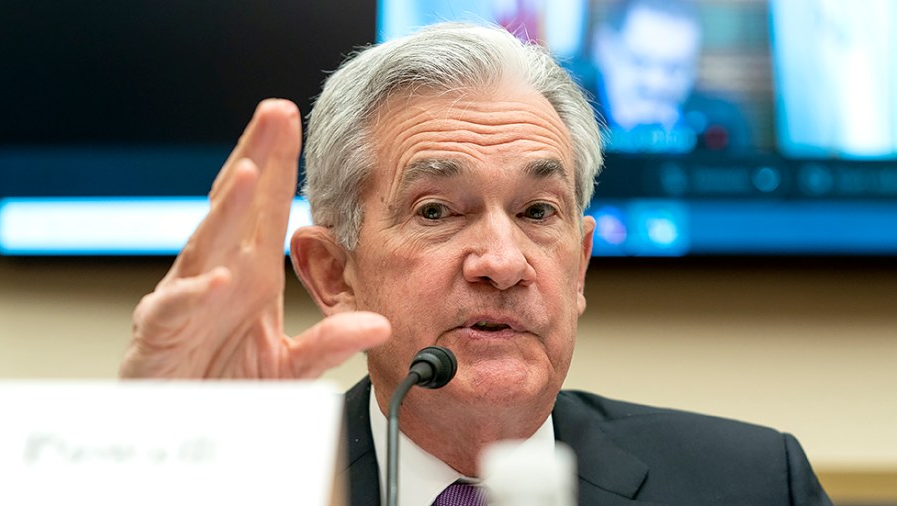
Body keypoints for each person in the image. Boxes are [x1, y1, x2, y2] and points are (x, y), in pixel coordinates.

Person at [120, 22, 830, 505]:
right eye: (436, 211)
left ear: (579, 266)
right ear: (333, 273)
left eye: (537, 212)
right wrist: (159, 455)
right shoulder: (248, 483)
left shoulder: (753, 484)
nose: (502, 263)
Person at [589, 0, 750, 152]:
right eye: (640, 62)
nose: (657, 83)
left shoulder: (725, 124)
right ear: (604, 48)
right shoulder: (567, 118)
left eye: (675, 69)